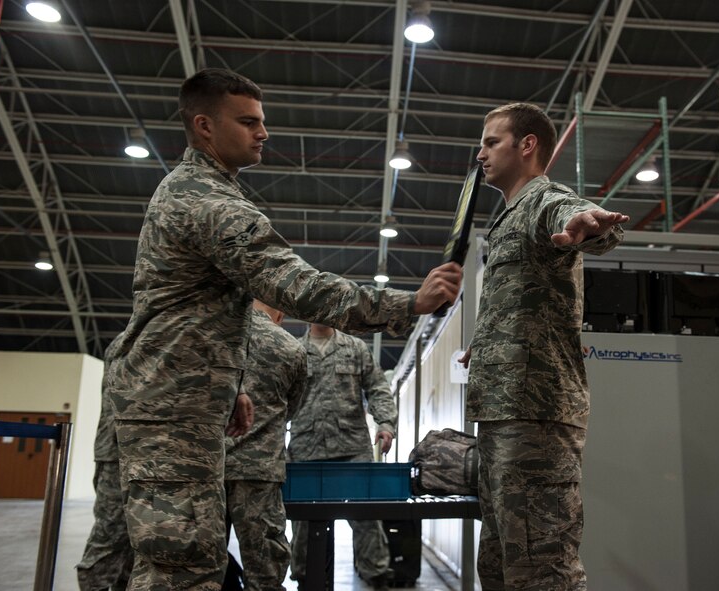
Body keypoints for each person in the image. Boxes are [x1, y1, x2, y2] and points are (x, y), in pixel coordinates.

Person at [106, 68, 462, 590]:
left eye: (262, 121)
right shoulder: (208, 202)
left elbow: (208, 316)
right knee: (179, 565)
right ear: (204, 126)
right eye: (247, 121)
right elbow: (295, 285)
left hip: (188, 402)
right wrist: (409, 302)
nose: (263, 132)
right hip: (171, 408)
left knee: (196, 556)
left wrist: (230, 389)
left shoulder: (205, 192)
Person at [459, 102, 629, 591]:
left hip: (535, 416)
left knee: (542, 565)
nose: (481, 153)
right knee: (499, 562)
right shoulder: (508, 215)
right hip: (504, 414)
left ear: (526, 144)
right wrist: (486, 341)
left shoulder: (542, 200)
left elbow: (578, 217)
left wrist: (590, 224)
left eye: (491, 142)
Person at [288, 323, 396, 590]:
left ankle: (377, 576)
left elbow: (378, 388)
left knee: (366, 519)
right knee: (303, 525)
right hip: (306, 450)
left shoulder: (355, 348)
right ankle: (304, 578)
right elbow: (277, 396)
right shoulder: (294, 350)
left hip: (352, 450)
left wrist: (385, 424)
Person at [224, 300, 307, 590]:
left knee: (201, 564)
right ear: (280, 315)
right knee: (265, 570)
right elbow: (292, 408)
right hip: (259, 472)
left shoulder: (218, 336)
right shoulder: (291, 348)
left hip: (208, 468)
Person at [76, 333, 134, 590]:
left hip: (142, 457)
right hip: (119, 456)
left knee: (137, 546)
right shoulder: (130, 340)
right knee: (111, 536)